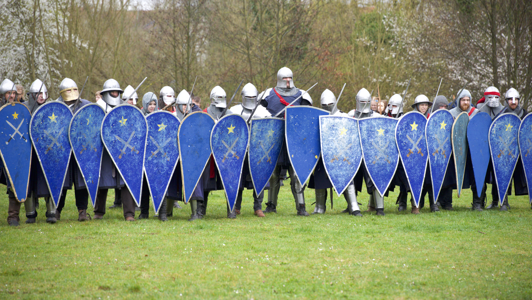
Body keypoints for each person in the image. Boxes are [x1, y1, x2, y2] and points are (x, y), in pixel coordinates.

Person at [259, 67, 313, 216]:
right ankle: (271, 205)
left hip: (295, 140)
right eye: (285, 79)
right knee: (274, 173)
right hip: (274, 139)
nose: (287, 81)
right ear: (279, 79)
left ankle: (301, 207)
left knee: (296, 174)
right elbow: (259, 116)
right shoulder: (268, 95)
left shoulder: (302, 95)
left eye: (289, 78)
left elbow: (307, 117)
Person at [310, 89, 362, 217]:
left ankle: (353, 207)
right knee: (320, 177)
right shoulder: (318, 117)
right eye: (324, 106)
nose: (327, 107)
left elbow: (351, 136)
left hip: (341, 155)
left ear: (335, 103)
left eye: (329, 105)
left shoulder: (345, 117)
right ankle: (320, 206)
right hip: (324, 155)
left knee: (347, 178)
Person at [93, 79, 137, 221]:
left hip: (122, 150)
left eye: (117, 92)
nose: (114, 94)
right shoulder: (98, 109)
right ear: (105, 93)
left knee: (125, 181)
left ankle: (129, 213)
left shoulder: (125, 109)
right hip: (104, 150)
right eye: (112, 92)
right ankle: (99, 211)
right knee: (102, 180)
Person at [54, 78, 92, 221]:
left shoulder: (85, 105)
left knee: (81, 181)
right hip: (62, 149)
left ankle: (82, 211)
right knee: (61, 181)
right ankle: (56, 210)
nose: (72, 93)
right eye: (68, 90)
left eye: (74, 89)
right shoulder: (56, 107)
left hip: (81, 149)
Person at [230, 83, 271, 217]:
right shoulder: (234, 110)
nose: (251, 99)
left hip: (258, 151)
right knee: (239, 179)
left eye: (253, 97)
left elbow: (269, 130)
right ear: (242, 97)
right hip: (239, 150)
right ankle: (236, 206)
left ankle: (258, 207)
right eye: (248, 97)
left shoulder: (263, 112)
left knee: (259, 178)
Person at [352, 88, 386, 216]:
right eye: (362, 101)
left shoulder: (377, 117)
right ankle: (352, 207)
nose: (364, 104)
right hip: (354, 152)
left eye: (366, 101)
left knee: (375, 176)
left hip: (372, 153)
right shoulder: (351, 115)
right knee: (351, 179)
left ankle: (379, 208)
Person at [449, 89, 484, 211]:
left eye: (468, 100)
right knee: (449, 176)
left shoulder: (476, 113)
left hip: (473, 151)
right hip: (456, 150)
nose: (466, 102)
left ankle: (478, 202)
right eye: (463, 100)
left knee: (477, 176)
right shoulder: (451, 114)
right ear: (459, 101)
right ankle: (446, 203)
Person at [1, 79, 28, 225]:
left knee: (14, 181)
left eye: (13, 93)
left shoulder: (21, 109)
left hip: (13, 151)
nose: (11, 96)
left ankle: (13, 216)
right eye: (8, 93)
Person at [138, 92, 168, 221]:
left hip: (159, 158)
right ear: (145, 104)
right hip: (145, 157)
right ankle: (144, 212)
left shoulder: (161, 118)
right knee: (144, 185)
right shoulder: (140, 118)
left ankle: (162, 213)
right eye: (149, 104)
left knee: (161, 183)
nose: (152, 106)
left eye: (154, 104)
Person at [409, 95, 438, 213]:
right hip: (416, 154)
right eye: (421, 105)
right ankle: (416, 204)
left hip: (429, 154)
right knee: (416, 179)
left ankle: (433, 204)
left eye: (426, 105)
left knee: (431, 179)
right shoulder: (411, 119)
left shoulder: (431, 118)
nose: (424, 107)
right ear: (416, 106)